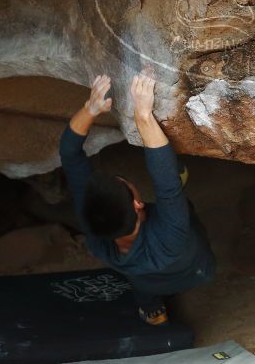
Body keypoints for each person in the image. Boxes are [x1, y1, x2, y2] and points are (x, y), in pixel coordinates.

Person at [59, 71, 215, 326]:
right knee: (175, 191)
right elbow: (165, 183)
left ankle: (152, 311)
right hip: (195, 270)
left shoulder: (94, 230)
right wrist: (143, 115)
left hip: (144, 278)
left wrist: (91, 108)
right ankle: (154, 305)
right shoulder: (170, 236)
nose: (118, 176)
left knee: (144, 285)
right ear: (137, 203)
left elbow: (69, 153)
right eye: (122, 181)